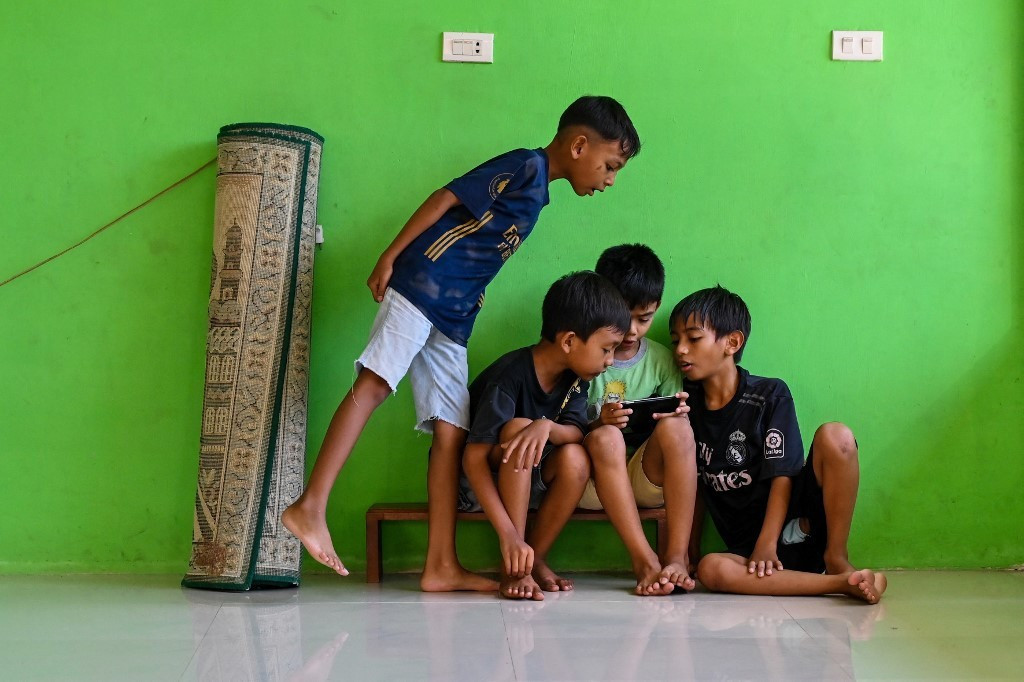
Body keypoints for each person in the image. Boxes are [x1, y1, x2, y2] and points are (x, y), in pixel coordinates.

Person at [282, 96, 641, 589]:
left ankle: (440, 565)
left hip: (454, 315)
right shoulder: (524, 165)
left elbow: (478, 244)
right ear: (580, 145)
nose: (609, 179)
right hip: (421, 286)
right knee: (373, 385)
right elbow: (446, 198)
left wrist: (476, 293)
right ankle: (310, 505)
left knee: (453, 430)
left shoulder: (539, 194)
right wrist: (390, 256)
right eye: (610, 165)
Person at [671, 285, 886, 603]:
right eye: (676, 341)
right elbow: (693, 487)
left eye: (693, 338)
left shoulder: (768, 394)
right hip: (746, 554)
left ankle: (836, 559)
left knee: (836, 436)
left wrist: (768, 543)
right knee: (712, 569)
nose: (680, 350)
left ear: (732, 342)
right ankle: (841, 584)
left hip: (798, 527)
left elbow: (782, 474)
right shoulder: (687, 410)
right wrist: (688, 552)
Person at [462, 271, 631, 600]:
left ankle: (533, 558)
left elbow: (576, 432)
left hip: (534, 479)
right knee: (516, 429)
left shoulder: (576, 377)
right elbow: (473, 459)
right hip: (480, 486)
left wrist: (547, 426)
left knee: (575, 455)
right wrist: (509, 535)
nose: (610, 362)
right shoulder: (510, 375)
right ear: (569, 341)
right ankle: (514, 566)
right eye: (606, 349)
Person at [577, 244, 698, 595]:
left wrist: (672, 415)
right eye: (622, 316)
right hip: (593, 484)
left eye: (643, 318)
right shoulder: (586, 355)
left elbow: (672, 421)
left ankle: (676, 557)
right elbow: (568, 428)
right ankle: (644, 559)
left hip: (644, 478)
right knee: (606, 437)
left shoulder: (662, 360)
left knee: (678, 425)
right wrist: (600, 422)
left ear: (656, 308)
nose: (631, 330)